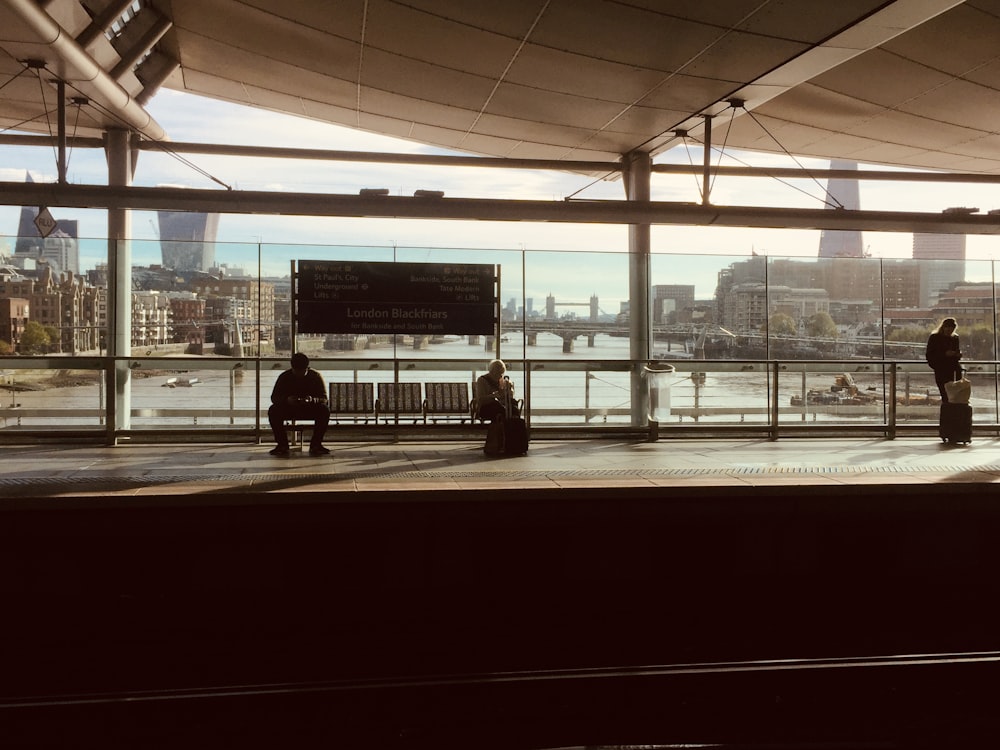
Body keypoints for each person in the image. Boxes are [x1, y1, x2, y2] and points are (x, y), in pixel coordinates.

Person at [268, 352, 330, 456]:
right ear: (292, 368)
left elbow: (324, 399)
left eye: (302, 371)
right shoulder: (284, 377)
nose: (299, 374)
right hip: (289, 408)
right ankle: (282, 444)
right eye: (297, 371)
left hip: (309, 408)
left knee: (324, 410)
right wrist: (287, 400)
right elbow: (274, 398)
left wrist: (312, 400)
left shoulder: (315, 376)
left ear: (307, 368)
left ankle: (316, 444)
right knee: (273, 411)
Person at [926, 317, 962, 403]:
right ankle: (950, 413)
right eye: (948, 328)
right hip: (942, 369)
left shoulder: (954, 338)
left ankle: (949, 414)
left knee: (952, 395)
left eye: (951, 328)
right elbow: (930, 354)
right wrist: (945, 354)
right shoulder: (935, 337)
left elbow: (930, 354)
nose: (949, 330)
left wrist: (957, 354)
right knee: (946, 394)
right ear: (943, 327)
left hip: (951, 369)